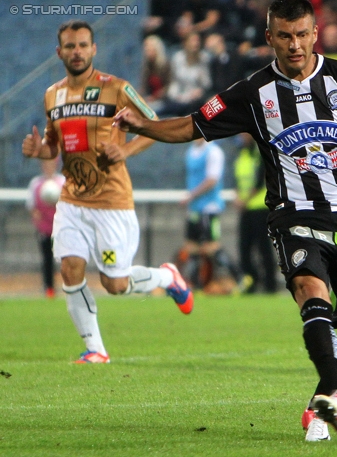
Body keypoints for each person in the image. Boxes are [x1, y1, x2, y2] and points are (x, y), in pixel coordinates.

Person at [113, 0, 337, 441]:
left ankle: (323, 402)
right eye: (285, 36)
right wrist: (143, 127)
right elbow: (191, 125)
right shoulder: (252, 92)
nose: (295, 45)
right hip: (292, 214)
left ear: (316, 34)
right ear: (270, 37)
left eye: (302, 35)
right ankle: (335, 392)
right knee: (310, 291)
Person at [21, 20, 194, 365]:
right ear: (59, 52)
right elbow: (54, 148)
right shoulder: (52, 95)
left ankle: (166, 277)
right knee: (70, 268)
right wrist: (39, 150)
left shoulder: (117, 89)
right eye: (70, 46)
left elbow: (153, 126)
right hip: (72, 200)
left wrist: (125, 151)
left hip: (112, 202)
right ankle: (95, 349)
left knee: (114, 283)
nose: (77, 52)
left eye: (83, 45)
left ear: (93, 49)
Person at [180, 137, 243, 291]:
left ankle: (239, 278)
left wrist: (191, 195)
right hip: (194, 208)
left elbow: (212, 180)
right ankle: (196, 284)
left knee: (211, 246)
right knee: (191, 246)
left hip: (209, 207)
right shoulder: (191, 151)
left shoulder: (214, 152)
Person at [233, 133, 278, 294]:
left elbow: (260, 180)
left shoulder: (258, 154)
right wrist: (238, 196)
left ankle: (270, 285)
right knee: (244, 248)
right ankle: (251, 281)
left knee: (264, 248)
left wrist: (244, 200)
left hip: (260, 207)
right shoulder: (241, 154)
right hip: (246, 208)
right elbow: (239, 180)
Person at [25, 158, 65, 298]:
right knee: (47, 259)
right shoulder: (36, 184)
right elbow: (31, 206)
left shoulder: (62, 182)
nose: (48, 167)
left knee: (66, 259)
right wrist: (35, 214)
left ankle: (70, 286)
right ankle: (49, 289)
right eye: (45, 164)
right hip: (45, 228)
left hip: (61, 229)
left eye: (51, 164)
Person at [160, 31, 212, 117]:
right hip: (179, 97)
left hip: (195, 100)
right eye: (192, 41)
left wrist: (200, 91)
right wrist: (176, 96)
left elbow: (207, 84)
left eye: (197, 41)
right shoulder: (177, 58)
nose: (196, 44)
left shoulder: (204, 58)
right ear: (185, 43)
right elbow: (174, 82)